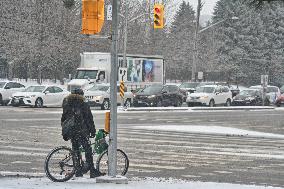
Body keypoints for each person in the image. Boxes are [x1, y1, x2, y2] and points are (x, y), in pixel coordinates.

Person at [61, 88, 102, 178]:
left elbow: (64, 117)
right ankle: (92, 171)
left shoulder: (66, 103)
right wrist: (92, 131)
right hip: (81, 130)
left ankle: (78, 170)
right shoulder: (83, 103)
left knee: (75, 150)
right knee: (87, 150)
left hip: (71, 131)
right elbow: (88, 118)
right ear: (81, 94)